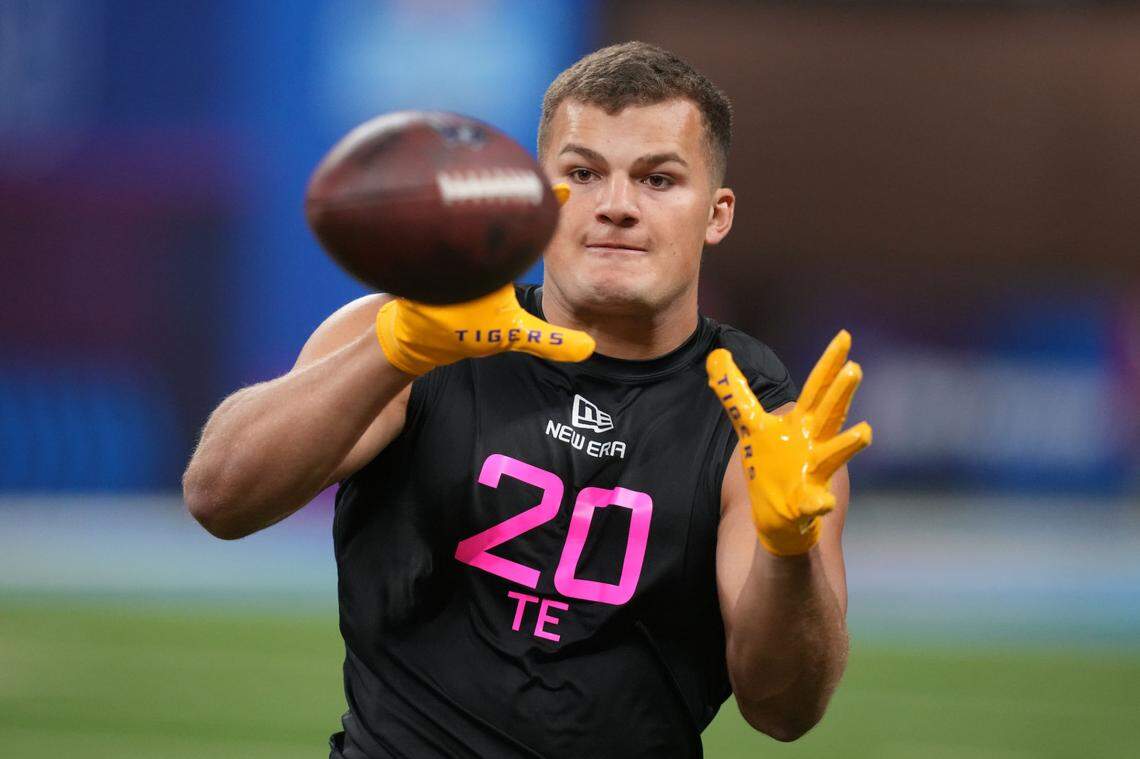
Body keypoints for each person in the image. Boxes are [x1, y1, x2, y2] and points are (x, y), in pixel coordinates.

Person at [182, 41, 872, 758]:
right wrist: (391, 349)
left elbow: (785, 708)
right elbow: (218, 494)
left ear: (717, 213)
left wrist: (790, 554)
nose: (616, 207)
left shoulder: (762, 422)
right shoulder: (419, 328)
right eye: (582, 173)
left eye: (658, 179)